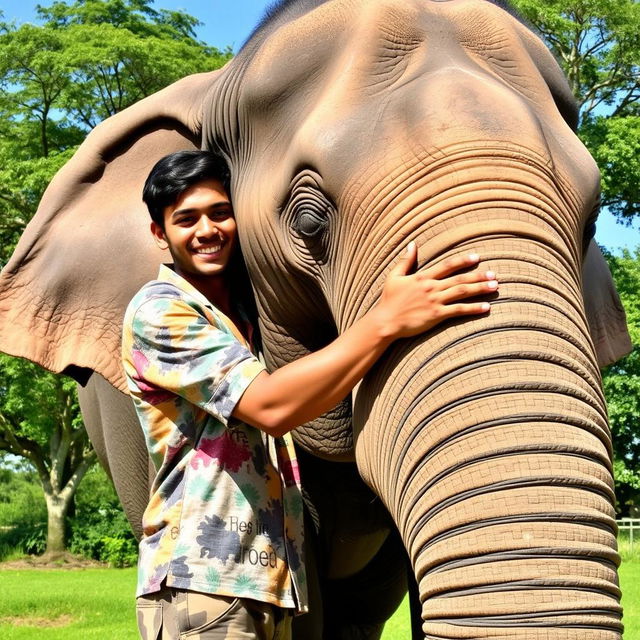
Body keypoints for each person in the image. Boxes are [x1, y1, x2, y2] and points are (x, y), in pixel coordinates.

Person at [122, 150, 499, 640]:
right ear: (160, 234)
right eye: (186, 219)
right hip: (205, 584)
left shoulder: (238, 317)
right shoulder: (159, 311)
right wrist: (386, 321)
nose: (207, 230)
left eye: (220, 212)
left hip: (268, 583)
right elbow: (271, 407)